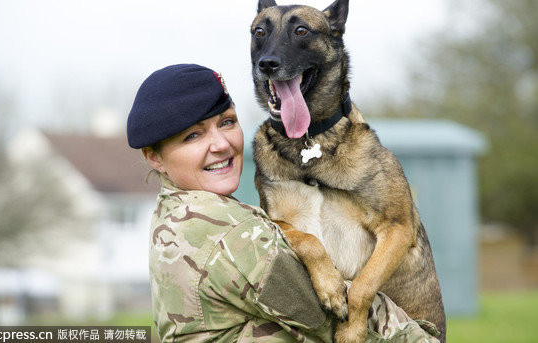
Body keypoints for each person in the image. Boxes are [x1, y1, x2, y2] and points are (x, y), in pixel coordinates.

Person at [127, 64, 440, 342]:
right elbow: (334, 317)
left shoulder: (173, 213)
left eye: (227, 122)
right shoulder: (227, 231)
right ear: (154, 157)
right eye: (192, 136)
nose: (222, 144)